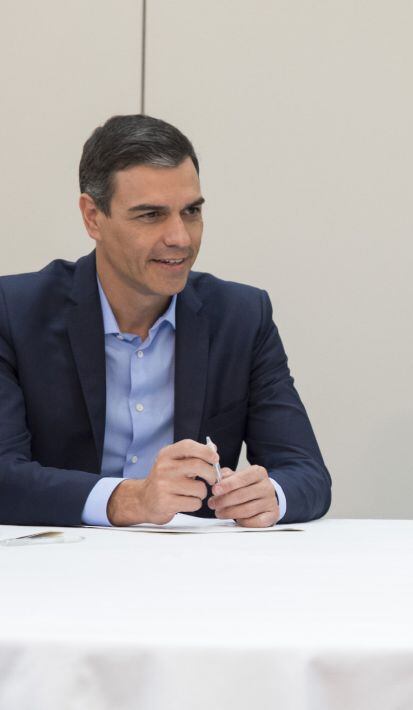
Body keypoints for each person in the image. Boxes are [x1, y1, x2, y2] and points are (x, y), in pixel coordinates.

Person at [0, 114, 331, 527]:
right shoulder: (13, 312)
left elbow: (307, 474)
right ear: (92, 216)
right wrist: (127, 500)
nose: (181, 237)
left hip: (192, 569)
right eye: (151, 215)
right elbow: (5, 477)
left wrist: (268, 496)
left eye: (191, 211)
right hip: (57, 568)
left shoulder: (241, 316)